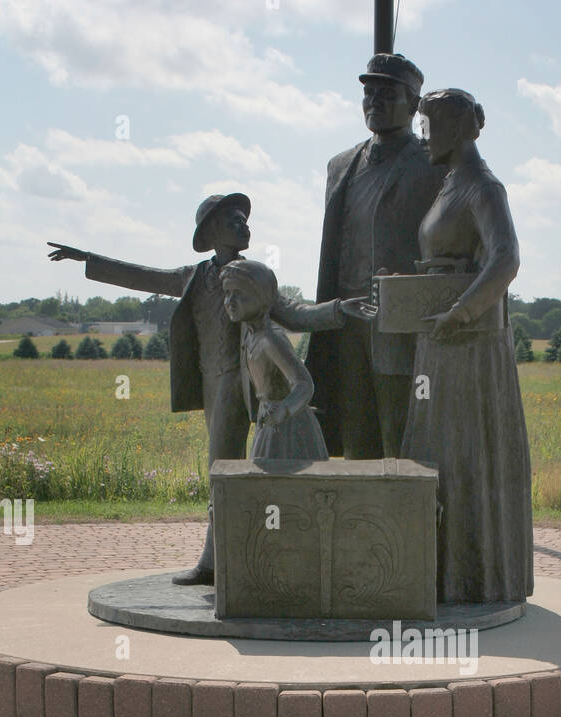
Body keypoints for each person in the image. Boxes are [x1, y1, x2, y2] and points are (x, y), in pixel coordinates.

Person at [48, 195, 371, 582]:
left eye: (244, 220)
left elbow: (295, 313)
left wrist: (337, 310)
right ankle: (220, 560)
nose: (245, 226)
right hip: (215, 386)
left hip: (255, 385)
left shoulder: (254, 277)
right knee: (222, 469)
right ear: (212, 231)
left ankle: (240, 562)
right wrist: (88, 260)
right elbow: (145, 276)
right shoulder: (196, 276)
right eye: (235, 220)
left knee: (252, 469)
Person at [400, 89, 534, 605]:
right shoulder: (450, 184)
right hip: (440, 342)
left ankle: (475, 578)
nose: (422, 134)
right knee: (440, 453)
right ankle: (442, 573)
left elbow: (506, 259)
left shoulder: (483, 186)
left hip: (468, 346)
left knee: (466, 452)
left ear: (457, 129)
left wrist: (461, 312)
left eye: (429, 123)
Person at [306, 53, 444, 459]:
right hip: (346, 315)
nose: (374, 102)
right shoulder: (341, 165)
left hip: (401, 320)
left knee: (401, 429)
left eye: (387, 93)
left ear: (414, 103)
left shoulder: (433, 162)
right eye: (368, 93)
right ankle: (358, 519)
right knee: (354, 429)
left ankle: (405, 516)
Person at [221, 259, 337, 463]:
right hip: (270, 419)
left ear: (263, 297)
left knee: (286, 482)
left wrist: (284, 409)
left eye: (239, 293)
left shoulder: (270, 339)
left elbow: (304, 384)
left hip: (290, 427)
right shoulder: (251, 336)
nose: (230, 300)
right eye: (227, 293)